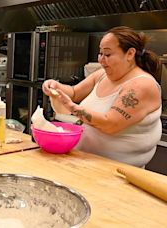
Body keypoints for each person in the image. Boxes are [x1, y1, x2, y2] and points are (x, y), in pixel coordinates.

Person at [42, 26, 162, 168]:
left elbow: (110, 124)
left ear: (130, 54)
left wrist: (72, 108)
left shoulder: (141, 85)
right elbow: (74, 92)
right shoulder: (102, 74)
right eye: (100, 53)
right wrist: (56, 86)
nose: (101, 60)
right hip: (86, 163)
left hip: (119, 172)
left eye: (108, 54)